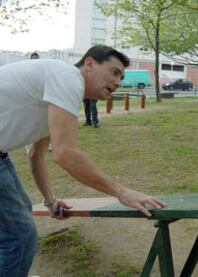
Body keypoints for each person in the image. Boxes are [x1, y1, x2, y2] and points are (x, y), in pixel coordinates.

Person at [0, 45, 166, 276]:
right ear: (89, 64)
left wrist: (50, 201)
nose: (118, 81)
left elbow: (36, 154)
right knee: (19, 236)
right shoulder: (68, 76)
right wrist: (122, 192)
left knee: (17, 219)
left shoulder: (59, 89)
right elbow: (65, 153)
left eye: (121, 76)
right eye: (114, 72)